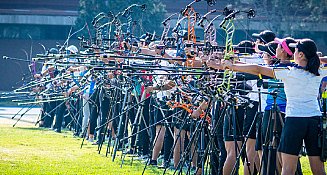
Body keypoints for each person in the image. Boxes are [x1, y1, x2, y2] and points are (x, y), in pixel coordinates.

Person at [208, 38, 326, 175]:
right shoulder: (319, 71)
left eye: (296, 51)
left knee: (288, 169)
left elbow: (258, 69)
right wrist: (317, 58)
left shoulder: (289, 73)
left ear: (300, 55)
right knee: (318, 170)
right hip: (314, 120)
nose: (294, 53)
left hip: (295, 121)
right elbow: (258, 67)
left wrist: (230, 66)